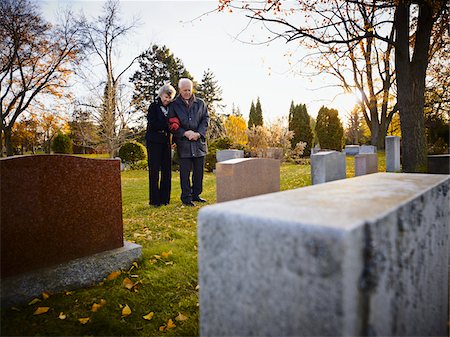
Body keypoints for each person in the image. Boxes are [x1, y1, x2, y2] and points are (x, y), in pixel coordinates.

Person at [169, 78, 209, 206]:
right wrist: (184, 133)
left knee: (199, 172)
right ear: (179, 90)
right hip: (184, 144)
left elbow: (205, 119)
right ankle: (186, 198)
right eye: (184, 90)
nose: (187, 92)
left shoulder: (201, 103)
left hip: (199, 143)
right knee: (185, 174)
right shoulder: (174, 105)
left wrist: (198, 134)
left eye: (189, 90)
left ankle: (196, 194)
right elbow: (171, 122)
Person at [146, 83, 176, 206]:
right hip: (153, 141)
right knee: (154, 171)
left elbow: (174, 124)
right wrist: (167, 125)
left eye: (169, 98)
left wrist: (172, 129)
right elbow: (152, 123)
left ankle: (165, 199)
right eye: (165, 96)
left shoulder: (171, 108)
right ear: (161, 95)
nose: (167, 99)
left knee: (166, 171)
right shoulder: (153, 107)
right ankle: (154, 200)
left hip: (166, 142)